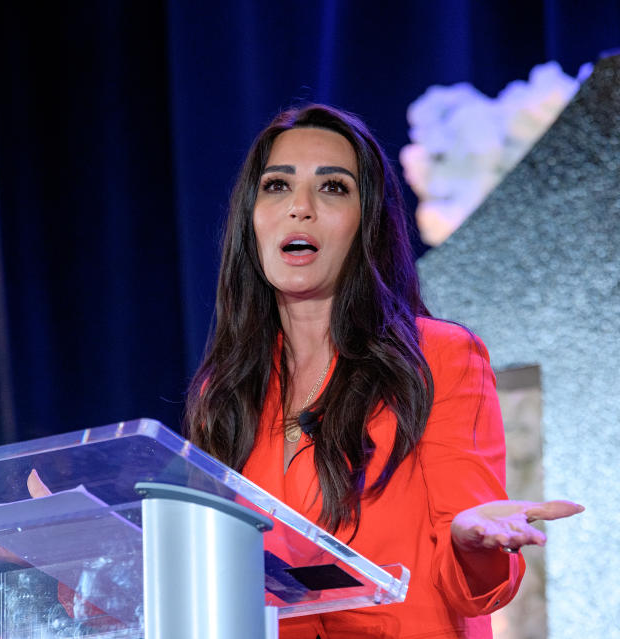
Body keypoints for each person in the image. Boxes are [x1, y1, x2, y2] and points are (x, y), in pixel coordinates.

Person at [184, 104, 582, 639]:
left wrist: (471, 544)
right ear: (250, 219)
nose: (299, 208)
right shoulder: (226, 391)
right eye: (276, 186)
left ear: (367, 223)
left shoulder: (436, 358)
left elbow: (475, 588)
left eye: (333, 189)